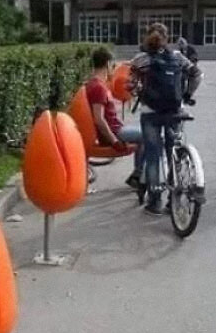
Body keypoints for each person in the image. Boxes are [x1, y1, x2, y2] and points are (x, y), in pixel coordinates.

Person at [130, 24, 202, 215]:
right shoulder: (178, 57)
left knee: (153, 157)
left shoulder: (140, 60)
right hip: (175, 111)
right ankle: (173, 200)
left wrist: (139, 91)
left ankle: (154, 203)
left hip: (150, 113)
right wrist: (187, 95)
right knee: (174, 153)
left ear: (146, 37)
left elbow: (130, 85)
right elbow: (197, 74)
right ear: (167, 38)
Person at [85, 47, 144, 189]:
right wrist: (114, 141)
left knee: (145, 132)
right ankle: (139, 175)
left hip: (115, 128)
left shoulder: (94, 84)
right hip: (114, 132)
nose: (114, 68)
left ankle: (139, 174)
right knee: (148, 134)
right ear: (107, 64)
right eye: (113, 65)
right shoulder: (98, 88)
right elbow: (99, 119)